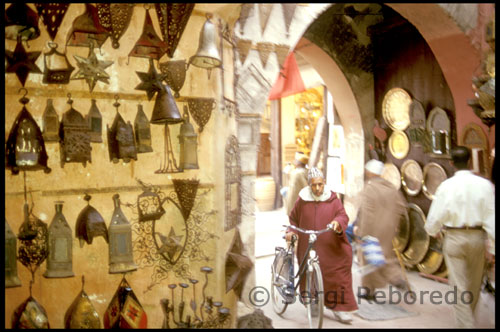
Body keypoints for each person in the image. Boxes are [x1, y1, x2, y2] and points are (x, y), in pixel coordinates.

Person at [425, 146, 495, 328]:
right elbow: (491, 217)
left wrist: (433, 231)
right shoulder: (485, 185)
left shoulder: (446, 187)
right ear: (470, 162)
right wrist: (493, 248)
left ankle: (466, 324)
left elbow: (434, 217)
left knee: (459, 286)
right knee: (474, 285)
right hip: (478, 238)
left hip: (454, 238)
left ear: (451, 163)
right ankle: (467, 321)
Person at [285, 167, 358, 324]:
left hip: (331, 246)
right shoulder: (302, 200)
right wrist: (291, 231)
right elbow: (293, 220)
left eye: (320, 184)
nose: (317, 188)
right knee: (309, 274)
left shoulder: (333, 199)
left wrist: (337, 223)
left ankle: (339, 308)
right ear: (309, 185)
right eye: (314, 185)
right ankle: (313, 303)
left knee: (337, 275)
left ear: (324, 183)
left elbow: (342, 215)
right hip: (308, 244)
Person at [355, 159, 409, 300]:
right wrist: (393, 225)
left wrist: (362, 233)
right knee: (385, 257)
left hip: (372, 230)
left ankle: (370, 289)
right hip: (388, 230)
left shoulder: (370, 188)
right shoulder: (391, 187)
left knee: (368, 258)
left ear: (370, 173)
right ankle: (396, 279)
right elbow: (401, 208)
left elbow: (367, 214)